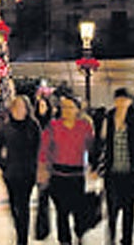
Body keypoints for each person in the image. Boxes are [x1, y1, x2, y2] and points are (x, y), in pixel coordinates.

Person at [37, 94, 94, 245]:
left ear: (77, 109)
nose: (66, 110)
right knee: (62, 211)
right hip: (58, 175)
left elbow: (92, 147)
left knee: (78, 210)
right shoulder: (53, 126)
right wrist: (42, 170)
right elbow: (44, 150)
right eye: (64, 108)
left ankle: (79, 234)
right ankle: (65, 241)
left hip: (77, 175)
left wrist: (95, 166)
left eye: (70, 107)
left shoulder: (84, 126)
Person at [98, 87, 134, 245]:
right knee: (112, 209)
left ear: (129, 101)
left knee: (128, 209)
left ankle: (127, 239)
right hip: (112, 172)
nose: (121, 103)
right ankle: (111, 239)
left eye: (124, 99)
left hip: (130, 172)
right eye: (118, 99)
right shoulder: (108, 117)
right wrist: (96, 166)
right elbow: (101, 143)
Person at [0, 95, 40, 245]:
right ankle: (19, 229)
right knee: (14, 205)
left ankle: (22, 239)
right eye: (17, 107)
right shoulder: (6, 127)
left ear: (27, 109)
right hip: (11, 172)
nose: (20, 110)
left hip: (28, 172)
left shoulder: (33, 126)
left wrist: (37, 167)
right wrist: (3, 164)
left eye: (23, 107)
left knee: (24, 205)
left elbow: (39, 148)